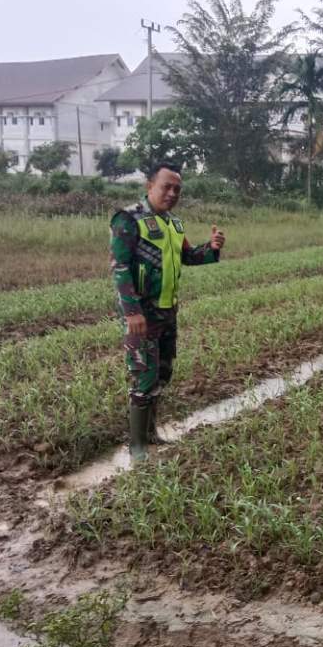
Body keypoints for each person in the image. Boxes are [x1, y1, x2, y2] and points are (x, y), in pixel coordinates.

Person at [109, 160, 226, 462]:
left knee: (162, 374)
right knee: (143, 377)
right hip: (143, 316)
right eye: (166, 187)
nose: (172, 193)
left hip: (167, 312)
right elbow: (120, 268)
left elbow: (188, 257)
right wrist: (131, 312)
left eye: (177, 189)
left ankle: (150, 435)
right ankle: (136, 448)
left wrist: (211, 248)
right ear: (150, 186)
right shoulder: (128, 220)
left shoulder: (174, 224)